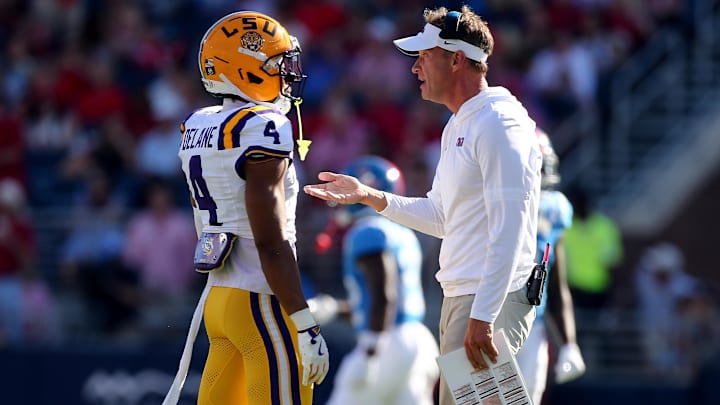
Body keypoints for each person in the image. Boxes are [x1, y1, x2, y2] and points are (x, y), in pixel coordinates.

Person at [304, 6, 541, 405]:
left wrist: (482, 316)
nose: (415, 69)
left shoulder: (500, 123)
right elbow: (442, 217)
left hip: (487, 301)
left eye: (424, 56)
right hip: (466, 299)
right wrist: (369, 195)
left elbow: (511, 228)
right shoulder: (461, 123)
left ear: (456, 58)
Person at [164, 11, 329, 405]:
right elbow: (270, 241)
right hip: (261, 298)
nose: (287, 75)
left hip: (220, 301)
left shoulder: (199, 123)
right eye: (277, 65)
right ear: (246, 67)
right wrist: (305, 323)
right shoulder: (262, 127)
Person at [309, 156, 440, 405]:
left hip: (387, 344)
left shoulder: (368, 231)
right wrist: (337, 308)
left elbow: (384, 293)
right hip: (416, 340)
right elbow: (382, 298)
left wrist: (371, 349)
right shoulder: (401, 232)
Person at [516, 129, 585, 405]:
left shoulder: (556, 208)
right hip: (484, 321)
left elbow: (556, 283)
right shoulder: (485, 202)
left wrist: (569, 343)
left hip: (532, 324)